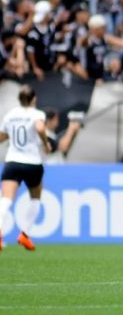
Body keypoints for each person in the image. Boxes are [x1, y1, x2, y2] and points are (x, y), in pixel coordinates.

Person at [0, 85, 52, 252]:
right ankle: (25, 234)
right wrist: (46, 144)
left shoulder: (10, 115)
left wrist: (12, 136)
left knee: (6, 198)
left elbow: (2, 136)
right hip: (32, 163)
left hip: (13, 161)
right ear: (33, 99)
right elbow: (40, 127)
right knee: (35, 198)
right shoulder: (37, 114)